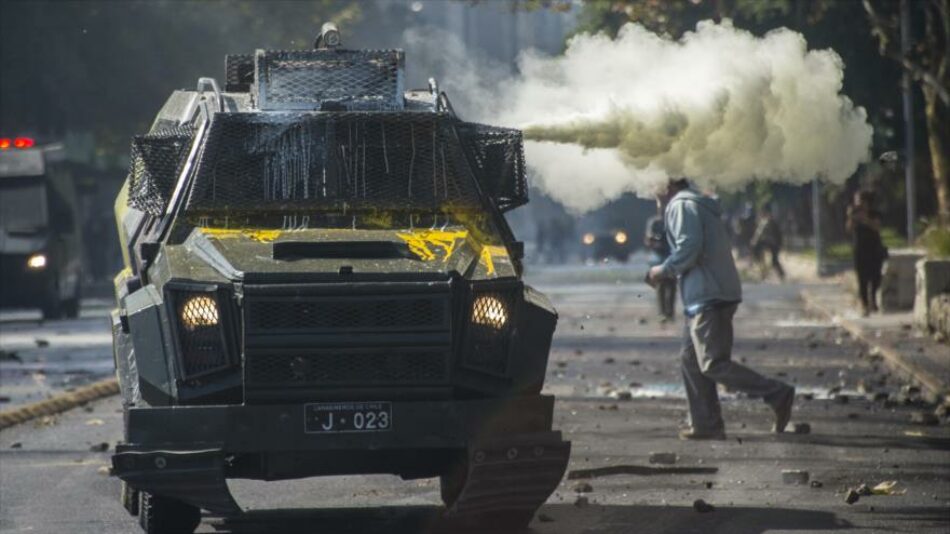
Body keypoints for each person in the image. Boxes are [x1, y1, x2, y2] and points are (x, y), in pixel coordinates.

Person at [647, 178, 795, 440]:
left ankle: (777, 393)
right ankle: (706, 425)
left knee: (713, 364)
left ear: (667, 185)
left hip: (707, 295)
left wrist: (662, 270)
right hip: (709, 293)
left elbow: (689, 248)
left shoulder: (681, 205)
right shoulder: (694, 203)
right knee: (690, 361)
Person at [846, 190, 887, 316]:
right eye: (856, 201)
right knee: (862, 279)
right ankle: (864, 305)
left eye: (860, 201)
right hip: (860, 250)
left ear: (866, 202)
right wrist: (851, 217)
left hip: (874, 249)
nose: (858, 203)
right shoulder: (854, 214)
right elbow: (848, 229)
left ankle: (873, 299)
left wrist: (865, 219)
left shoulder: (874, 214)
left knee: (876, 277)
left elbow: (877, 227)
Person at [644, 200, 676, 320]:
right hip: (658, 256)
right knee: (661, 286)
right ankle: (662, 311)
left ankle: (670, 312)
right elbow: (648, 239)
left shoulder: (673, 220)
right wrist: (653, 242)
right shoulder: (654, 222)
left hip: (671, 254)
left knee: (671, 285)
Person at [750, 205, 785, 280]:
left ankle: (780, 274)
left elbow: (761, 234)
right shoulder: (764, 221)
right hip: (771, 243)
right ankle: (765, 273)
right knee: (768, 259)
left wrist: (755, 241)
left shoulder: (767, 221)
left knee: (774, 261)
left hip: (774, 243)